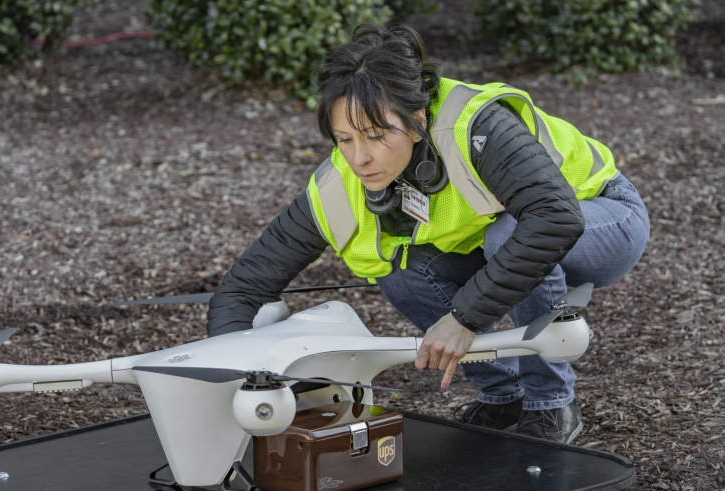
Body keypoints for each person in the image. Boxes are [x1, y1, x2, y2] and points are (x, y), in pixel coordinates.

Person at [205, 23, 649, 444]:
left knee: (510, 232)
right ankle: (504, 396)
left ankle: (551, 401)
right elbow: (245, 286)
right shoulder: (337, 185)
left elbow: (554, 218)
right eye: (344, 139)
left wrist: (464, 319)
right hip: (501, 241)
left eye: (378, 136)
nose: (360, 158)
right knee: (401, 271)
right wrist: (233, 382)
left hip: (603, 218)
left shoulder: (474, 126)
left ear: (417, 117)